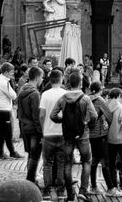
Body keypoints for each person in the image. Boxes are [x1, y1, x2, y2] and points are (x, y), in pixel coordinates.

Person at [51, 70, 97, 202]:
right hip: (83, 134)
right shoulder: (85, 98)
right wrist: (87, 123)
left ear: (68, 83)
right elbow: (94, 115)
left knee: (67, 164)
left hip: (68, 135)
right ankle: (83, 191)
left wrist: (62, 121)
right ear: (81, 83)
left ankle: (70, 194)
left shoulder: (63, 98)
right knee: (86, 161)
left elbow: (52, 115)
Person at [38, 68, 68, 199]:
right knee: (61, 162)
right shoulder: (66, 94)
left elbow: (41, 115)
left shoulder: (45, 94)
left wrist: (43, 129)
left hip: (48, 133)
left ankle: (47, 189)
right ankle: (61, 190)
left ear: (50, 81)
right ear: (61, 79)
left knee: (47, 163)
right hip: (62, 133)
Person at [16, 65, 44, 188]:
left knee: (30, 155)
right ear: (37, 77)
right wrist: (41, 132)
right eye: (42, 77)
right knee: (35, 156)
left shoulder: (22, 90)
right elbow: (36, 115)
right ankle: (30, 180)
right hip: (34, 129)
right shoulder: (35, 94)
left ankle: (30, 178)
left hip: (25, 127)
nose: (42, 79)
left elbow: (19, 112)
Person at [88, 81, 113, 195]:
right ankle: (110, 188)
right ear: (100, 90)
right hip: (100, 134)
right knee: (104, 160)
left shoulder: (86, 99)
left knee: (94, 159)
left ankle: (93, 186)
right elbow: (109, 116)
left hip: (90, 134)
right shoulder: (100, 101)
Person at [0, 62, 22, 159]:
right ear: (6, 72)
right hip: (3, 109)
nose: (13, 74)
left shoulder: (1, 80)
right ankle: (9, 152)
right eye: (11, 72)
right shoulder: (3, 82)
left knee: (2, 132)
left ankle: (3, 152)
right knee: (7, 132)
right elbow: (13, 96)